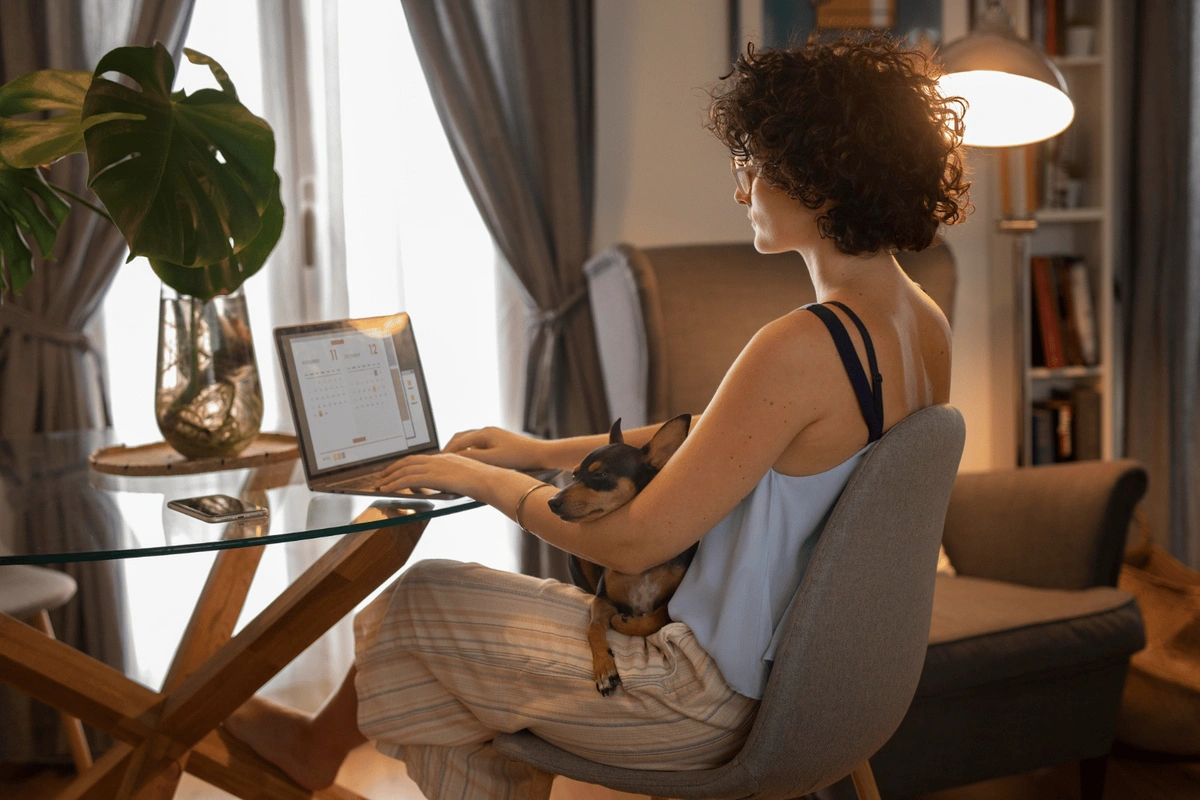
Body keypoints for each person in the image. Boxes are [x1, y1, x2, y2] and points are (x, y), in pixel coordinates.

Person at [225, 33, 969, 797]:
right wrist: (534, 450)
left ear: (818, 178)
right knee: (460, 655)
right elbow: (729, 437)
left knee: (417, 607)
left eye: (753, 166)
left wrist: (481, 481)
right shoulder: (919, 323)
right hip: (822, 699)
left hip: (706, 701)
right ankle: (321, 750)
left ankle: (314, 752)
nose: (742, 191)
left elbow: (634, 537)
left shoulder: (801, 345)